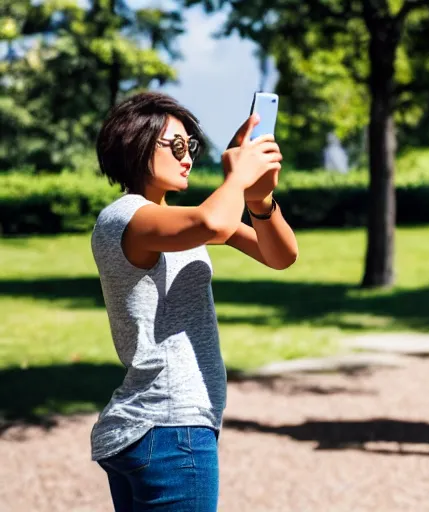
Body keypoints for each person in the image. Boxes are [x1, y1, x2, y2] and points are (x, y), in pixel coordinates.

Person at [90, 91, 298, 511]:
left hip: (164, 427)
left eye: (192, 146)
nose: (188, 157)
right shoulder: (127, 216)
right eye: (177, 146)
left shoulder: (174, 221)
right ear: (137, 144)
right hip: (171, 427)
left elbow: (280, 255)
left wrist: (258, 199)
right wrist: (237, 178)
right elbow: (213, 219)